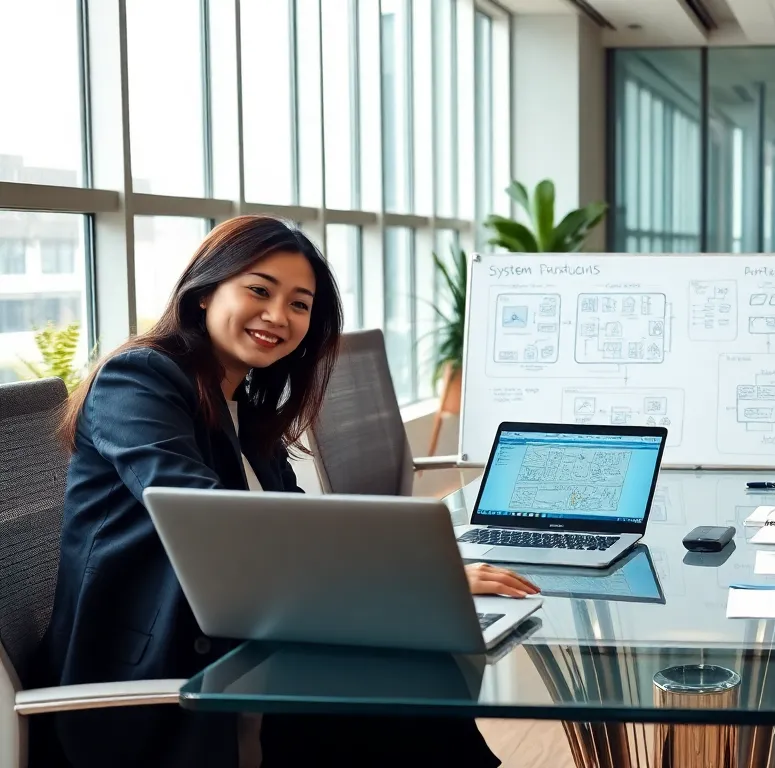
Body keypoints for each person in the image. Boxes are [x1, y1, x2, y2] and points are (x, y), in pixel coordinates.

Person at [35, 215, 538, 768]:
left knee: (420, 683)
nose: (279, 316)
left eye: (300, 304)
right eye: (259, 290)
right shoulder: (139, 380)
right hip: (156, 676)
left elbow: (299, 535)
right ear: (204, 291)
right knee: (410, 699)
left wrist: (416, 577)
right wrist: (407, 582)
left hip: (251, 648)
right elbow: (215, 528)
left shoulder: (247, 409)